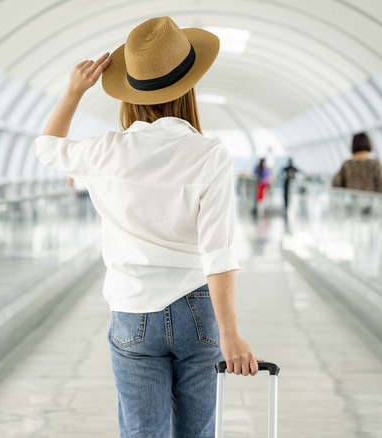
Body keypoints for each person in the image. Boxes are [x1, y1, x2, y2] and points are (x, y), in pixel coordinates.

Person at [34, 16, 258, 437]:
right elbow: (219, 250)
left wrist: (73, 90)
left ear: (131, 94)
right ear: (188, 88)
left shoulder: (105, 151)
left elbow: (47, 148)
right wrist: (231, 334)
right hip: (197, 309)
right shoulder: (210, 155)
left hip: (132, 309)